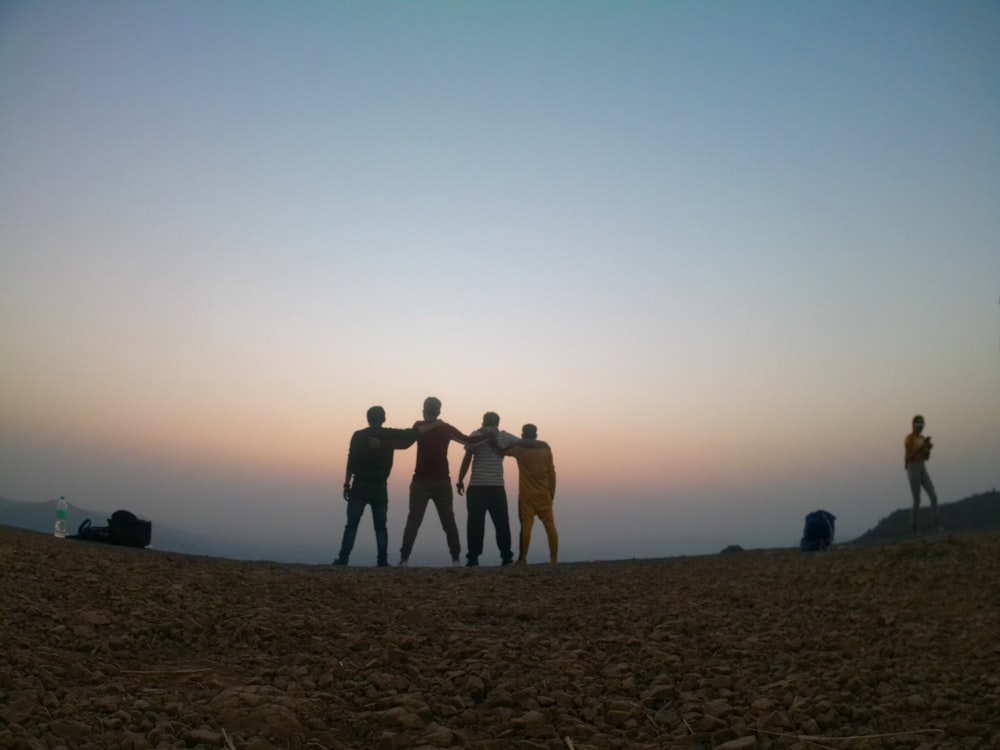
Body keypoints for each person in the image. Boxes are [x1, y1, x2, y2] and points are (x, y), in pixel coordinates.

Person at [335, 406, 440, 567]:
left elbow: (351, 461)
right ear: (383, 419)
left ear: (367, 418)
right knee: (381, 527)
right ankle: (382, 561)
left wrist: (346, 483)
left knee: (351, 525)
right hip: (379, 488)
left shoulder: (358, 436)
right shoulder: (389, 434)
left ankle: (343, 559)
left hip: (359, 485)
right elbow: (413, 434)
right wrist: (436, 424)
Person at [398, 397, 491, 567]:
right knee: (448, 521)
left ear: (423, 409)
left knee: (414, 521)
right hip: (441, 482)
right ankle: (456, 560)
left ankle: (404, 559)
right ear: (439, 411)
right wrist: (489, 435)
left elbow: (408, 440)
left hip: (421, 482)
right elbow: (468, 441)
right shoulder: (444, 428)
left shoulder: (419, 426)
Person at [456, 412, 519, 567]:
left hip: (477, 486)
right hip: (497, 487)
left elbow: (467, 457)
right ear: (498, 422)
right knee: (502, 522)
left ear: (482, 422)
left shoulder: (476, 435)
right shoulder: (504, 436)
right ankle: (506, 557)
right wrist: (504, 449)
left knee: (475, 523)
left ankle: (473, 558)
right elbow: (521, 443)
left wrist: (460, 480)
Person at [503, 423, 558, 564]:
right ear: (536, 435)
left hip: (526, 495)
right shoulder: (546, 449)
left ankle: (523, 558)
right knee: (550, 526)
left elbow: (502, 449)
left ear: (523, 435)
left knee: (526, 526)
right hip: (544, 494)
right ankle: (554, 559)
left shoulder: (520, 449)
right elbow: (552, 473)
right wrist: (551, 492)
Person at [904, 414, 940, 533]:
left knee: (933, 496)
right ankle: (914, 527)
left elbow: (926, 457)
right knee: (917, 499)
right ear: (913, 425)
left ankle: (936, 525)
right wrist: (921, 447)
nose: (920, 427)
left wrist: (928, 449)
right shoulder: (909, 438)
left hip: (922, 466)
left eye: (921, 425)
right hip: (913, 467)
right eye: (918, 424)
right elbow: (908, 457)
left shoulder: (922, 438)